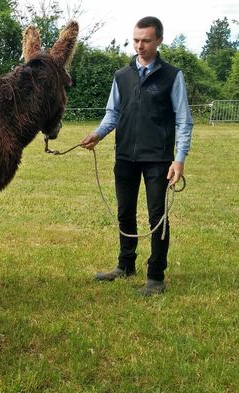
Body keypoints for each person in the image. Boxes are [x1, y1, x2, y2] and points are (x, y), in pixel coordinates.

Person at [81, 16, 193, 296]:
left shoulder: (172, 76)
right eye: (136, 40)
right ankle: (125, 265)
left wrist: (179, 159)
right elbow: (113, 114)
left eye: (145, 40)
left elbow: (183, 120)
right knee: (124, 212)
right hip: (125, 158)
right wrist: (98, 134)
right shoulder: (122, 75)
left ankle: (156, 276)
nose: (139, 46)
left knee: (158, 217)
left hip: (158, 159)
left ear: (159, 41)